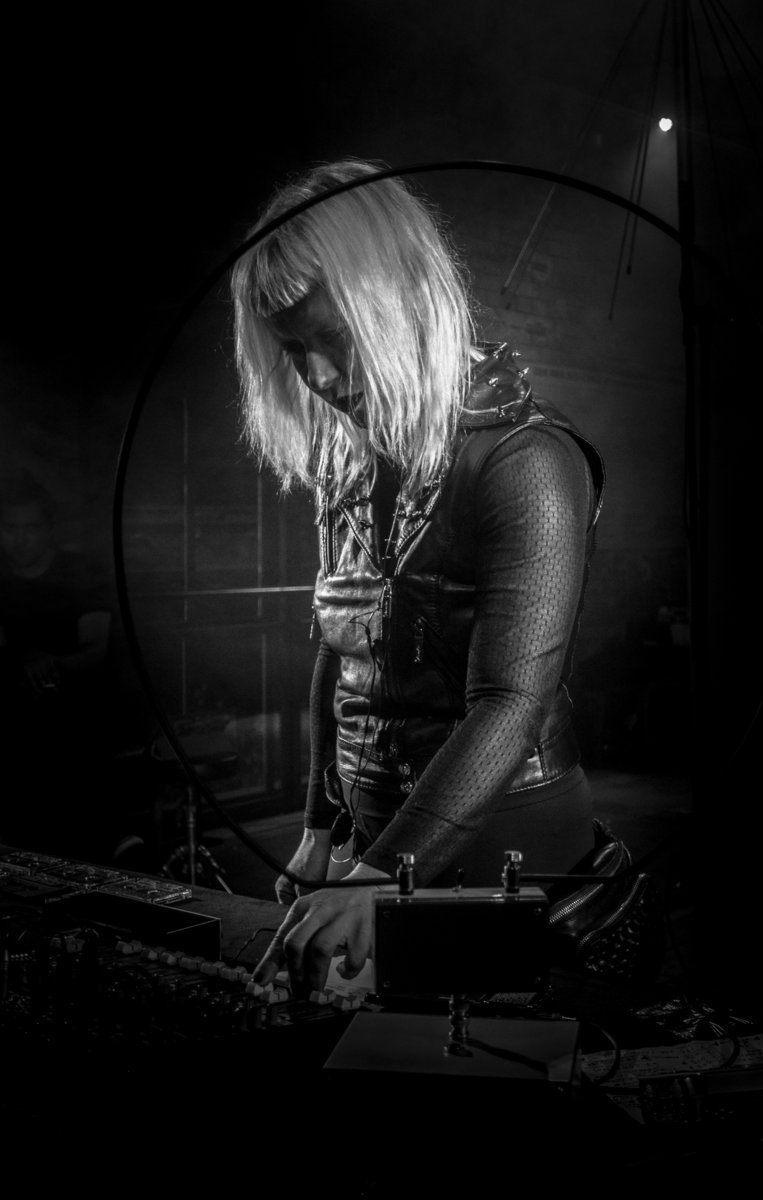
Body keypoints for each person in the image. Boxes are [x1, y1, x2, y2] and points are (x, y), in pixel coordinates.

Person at [231, 159, 630, 997]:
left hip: (509, 843)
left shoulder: (527, 457)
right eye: (294, 350)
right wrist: (319, 828)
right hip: (376, 844)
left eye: (333, 338)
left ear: (398, 298)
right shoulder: (347, 460)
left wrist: (379, 878)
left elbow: (511, 702)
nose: (318, 378)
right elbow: (340, 647)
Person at [0, 471, 126, 860]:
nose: (20, 539)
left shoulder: (78, 572)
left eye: (30, 528)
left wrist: (51, 666)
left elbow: (95, 651)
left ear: (49, 529)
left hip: (75, 719)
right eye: (10, 528)